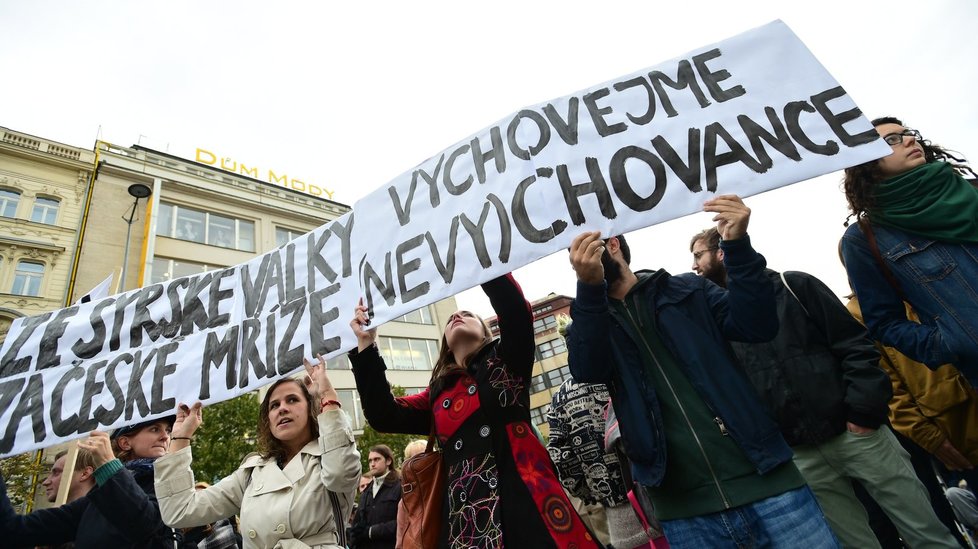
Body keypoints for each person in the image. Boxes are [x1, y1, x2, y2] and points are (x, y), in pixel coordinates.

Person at [566, 195, 839, 548]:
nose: (577, 257)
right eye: (573, 254)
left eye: (584, 246)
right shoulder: (589, 324)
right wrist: (588, 290)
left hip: (769, 484)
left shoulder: (687, 290)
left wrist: (737, 246)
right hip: (686, 513)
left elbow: (757, 325)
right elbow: (588, 370)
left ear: (612, 243)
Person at [691, 226, 959, 548]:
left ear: (722, 252)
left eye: (698, 255)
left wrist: (862, 414)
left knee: (927, 534)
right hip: (801, 456)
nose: (694, 265)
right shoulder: (721, 320)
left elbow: (857, 346)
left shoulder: (795, 286)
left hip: (859, 435)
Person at [350, 274, 601, 548]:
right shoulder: (437, 394)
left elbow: (515, 309)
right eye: (451, 319)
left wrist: (483, 262)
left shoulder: (508, 360)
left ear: (485, 332)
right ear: (445, 343)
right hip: (468, 521)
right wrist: (366, 346)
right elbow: (383, 414)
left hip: (529, 501)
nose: (457, 315)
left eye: (468, 314)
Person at [153, 356, 361, 549]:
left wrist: (327, 396)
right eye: (274, 405)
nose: (282, 409)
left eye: (292, 400)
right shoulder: (252, 473)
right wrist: (180, 437)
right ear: (267, 420)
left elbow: (340, 474)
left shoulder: (331, 455)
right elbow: (179, 511)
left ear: (311, 408)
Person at [840, 117, 978, 382]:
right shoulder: (864, 239)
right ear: (866, 161)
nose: (910, 140)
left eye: (908, 134)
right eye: (891, 140)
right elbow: (884, 323)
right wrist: (952, 342)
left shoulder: (973, 191)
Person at [0, 417, 181, 548]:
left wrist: (110, 466)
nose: (165, 437)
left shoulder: (171, 483)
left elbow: (143, 525)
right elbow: (13, 530)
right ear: (125, 442)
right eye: (155, 429)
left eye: (168, 430)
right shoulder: (95, 501)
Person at [548, 378, 655, 549]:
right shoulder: (623, 369)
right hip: (661, 500)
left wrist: (588, 495)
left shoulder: (560, 397)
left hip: (620, 522)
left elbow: (563, 459)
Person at [348, 444, 401, 549]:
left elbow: (404, 522)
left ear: (388, 461)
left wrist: (372, 531)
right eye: (370, 460)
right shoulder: (367, 491)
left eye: (377, 459)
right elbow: (357, 525)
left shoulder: (400, 486)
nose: (372, 464)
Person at [394, 440, 427, 549]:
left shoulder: (445, 486)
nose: (422, 463)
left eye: (425, 456)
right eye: (416, 459)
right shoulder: (405, 501)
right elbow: (400, 541)